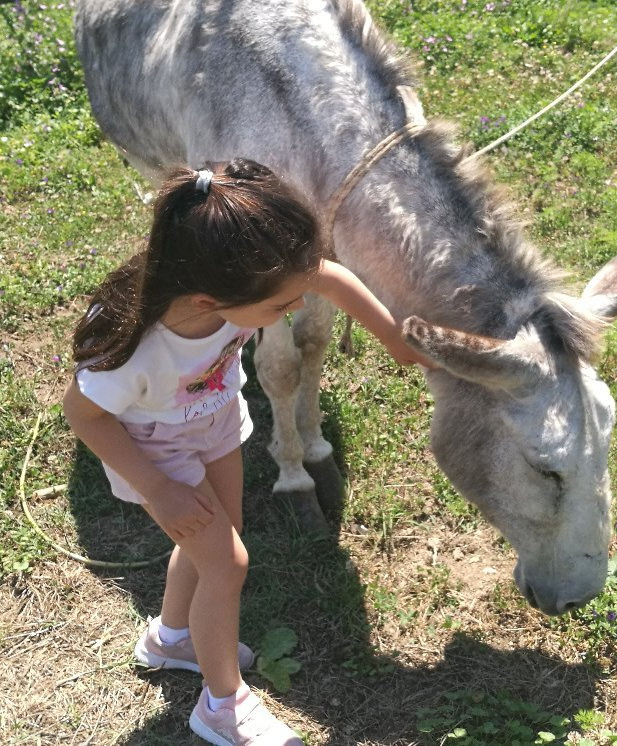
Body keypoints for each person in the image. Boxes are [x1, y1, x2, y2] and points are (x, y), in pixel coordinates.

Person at [62, 159, 432, 746]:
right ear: (210, 300)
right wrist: (159, 488)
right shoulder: (135, 346)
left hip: (214, 421)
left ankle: (172, 639)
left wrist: (393, 336)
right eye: (278, 310)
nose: (289, 313)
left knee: (221, 535)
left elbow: (326, 276)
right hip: (156, 448)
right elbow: (84, 414)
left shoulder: (252, 279)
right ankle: (221, 705)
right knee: (226, 563)